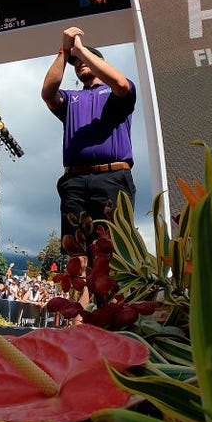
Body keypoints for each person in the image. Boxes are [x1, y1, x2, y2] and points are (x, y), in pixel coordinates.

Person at [41, 26, 136, 310]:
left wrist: (81, 49)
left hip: (112, 177)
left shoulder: (116, 91)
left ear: (98, 62)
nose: (78, 62)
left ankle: (111, 315)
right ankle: (80, 318)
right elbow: (48, 92)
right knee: (76, 251)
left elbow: (119, 83)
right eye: (75, 62)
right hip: (75, 180)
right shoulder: (71, 99)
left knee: (111, 249)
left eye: (84, 59)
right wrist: (64, 50)